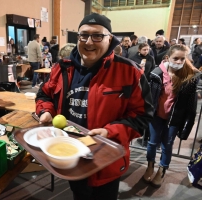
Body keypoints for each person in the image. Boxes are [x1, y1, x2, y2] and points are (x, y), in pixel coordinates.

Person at [36, 13, 154, 200]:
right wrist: (46, 111)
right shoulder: (62, 68)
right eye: (84, 35)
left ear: (110, 39)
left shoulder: (130, 72)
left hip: (105, 160)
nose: (89, 42)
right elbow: (44, 94)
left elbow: (143, 116)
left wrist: (109, 133)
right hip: (71, 156)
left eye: (97, 35)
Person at [142, 44, 201, 187]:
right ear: (168, 57)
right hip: (156, 116)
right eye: (176, 58)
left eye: (182, 59)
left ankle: (162, 170)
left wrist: (188, 125)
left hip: (174, 119)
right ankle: (150, 165)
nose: (179, 62)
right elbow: (149, 97)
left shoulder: (190, 78)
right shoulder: (157, 74)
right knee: (152, 143)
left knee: (167, 145)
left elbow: (191, 106)